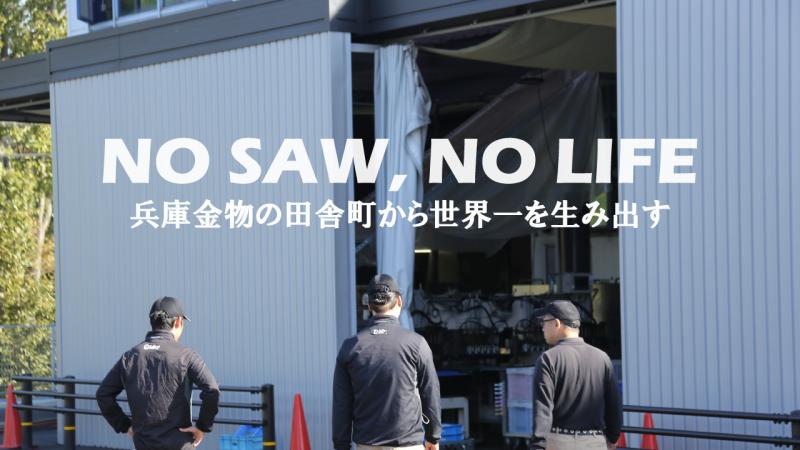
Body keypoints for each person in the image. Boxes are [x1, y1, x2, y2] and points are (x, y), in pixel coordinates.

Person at [333, 274, 442, 450]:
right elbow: (430, 392)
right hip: (408, 445)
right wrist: (433, 436)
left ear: (369, 305)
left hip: (367, 445)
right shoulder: (417, 343)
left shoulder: (350, 347)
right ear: (399, 301)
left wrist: (341, 445)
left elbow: (342, 404)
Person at [97, 296, 220, 449]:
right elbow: (212, 389)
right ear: (178, 322)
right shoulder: (186, 355)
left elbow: (103, 394)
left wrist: (125, 425)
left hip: (144, 444)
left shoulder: (130, 357)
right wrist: (202, 426)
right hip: (180, 444)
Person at [531, 300, 622, 450]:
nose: (542, 328)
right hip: (595, 443)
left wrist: (538, 445)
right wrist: (613, 437)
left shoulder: (548, 359)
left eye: (544, 322)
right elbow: (613, 404)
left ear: (556, 323)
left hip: (559, 443)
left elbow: (542, 409)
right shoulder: (602, 358)